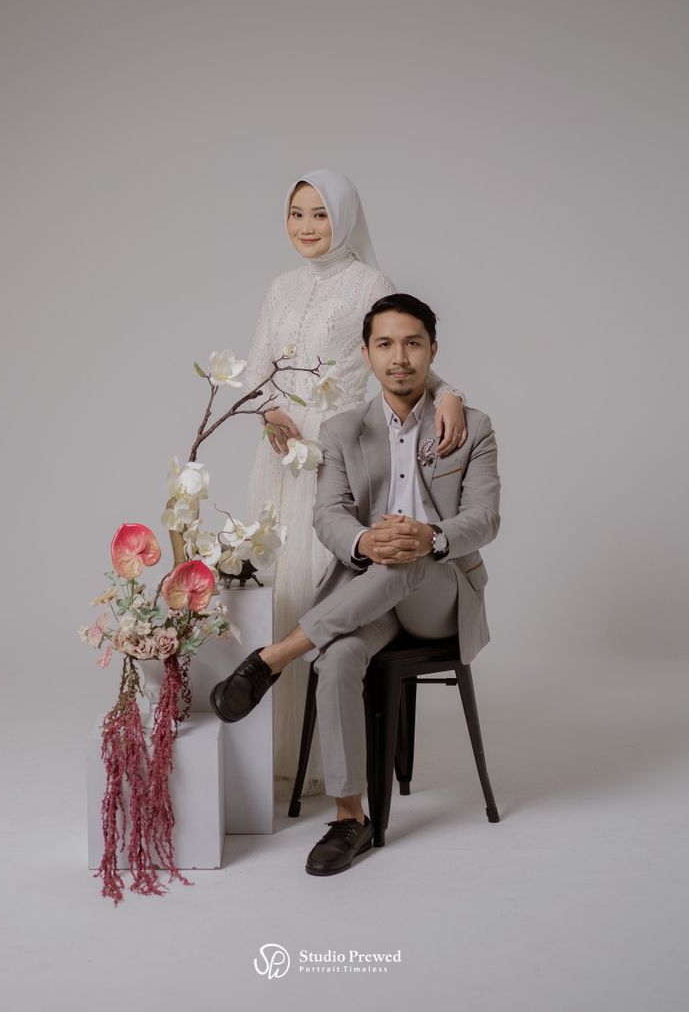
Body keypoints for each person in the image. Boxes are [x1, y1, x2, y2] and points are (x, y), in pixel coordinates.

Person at [212, 292, 501, 875]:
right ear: (367, 354)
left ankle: (273, 657)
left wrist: (430, 536)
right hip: (366, 592)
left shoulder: (472, 427)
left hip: (439, 591)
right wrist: (365, 542)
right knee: (338, 657)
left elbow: (485, 518)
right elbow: (329, 513)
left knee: (409, 551)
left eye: (413, 343)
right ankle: (350, 817)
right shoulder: (345, 431)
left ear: (433, 351)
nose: (400, 357)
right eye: (386, 344)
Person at [243, 169, 469, 802]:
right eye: (297, 214)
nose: (308, 227)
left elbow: (396, 354)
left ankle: (327, 757)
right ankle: (277, 754)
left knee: (331, 581)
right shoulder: (279, 287)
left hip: (337, 451)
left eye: (320, 214)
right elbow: (257, 367)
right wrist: (266, 409)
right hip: (283, 456)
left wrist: (449, 391)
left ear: (344, 218)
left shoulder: (371, 283)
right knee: (281, 586)